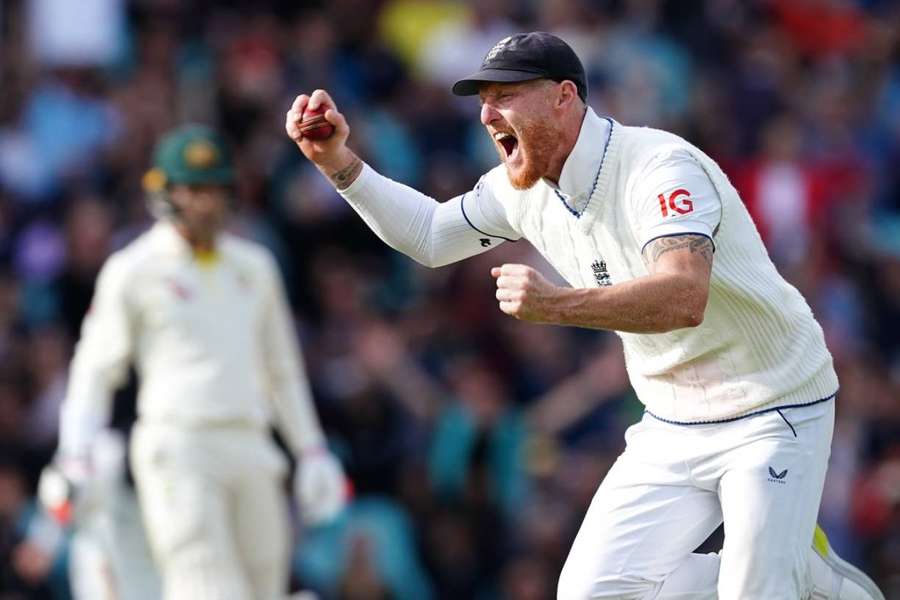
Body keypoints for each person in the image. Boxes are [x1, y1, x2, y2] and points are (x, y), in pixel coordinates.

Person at [285, 32, 884, 600]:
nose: (489, 116)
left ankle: (801, 579)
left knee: (755, 593)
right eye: (484, 102)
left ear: (565, 96)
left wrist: (554, 306)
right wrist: (339, 164)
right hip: (673, 418)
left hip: (773, 403)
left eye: (506, 97)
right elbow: (430, 237)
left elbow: (683, 297)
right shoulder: (519, 189)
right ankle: (797, 569)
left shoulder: (658, 166)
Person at [49, 125, 348, 600]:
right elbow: (95, 369)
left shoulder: (255, 267)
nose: (205, 203)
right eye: (192, 190)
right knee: (207, 588)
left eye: (213, 190)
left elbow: (282, 370)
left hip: (252, 444)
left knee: (265, 588)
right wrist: (74, 454)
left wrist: (312, 451)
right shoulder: (134, 269)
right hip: (178, 447)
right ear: (164, 193)